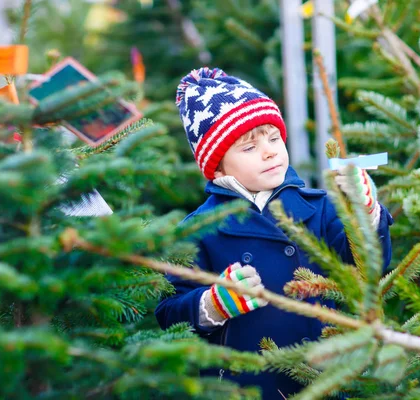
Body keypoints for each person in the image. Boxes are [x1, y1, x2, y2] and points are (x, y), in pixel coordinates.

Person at [155, 67, 393, 399]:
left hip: (324, 378)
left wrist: (366, 214)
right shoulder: (199, 230)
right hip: (246, 386)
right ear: (218, 166)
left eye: (273, 138)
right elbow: (168, 312)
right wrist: (212, 303)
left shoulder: (320, 208)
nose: (269, 151)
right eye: (249, 147)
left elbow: (368, 268)